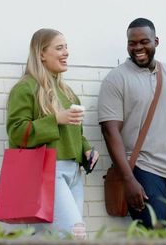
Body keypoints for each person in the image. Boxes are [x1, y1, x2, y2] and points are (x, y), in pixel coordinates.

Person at [98, 18, 166, 228]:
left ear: (156, 41)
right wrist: (128, 179)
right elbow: (110, 132)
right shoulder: (116, 79)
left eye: (144, 41)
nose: (138, 47)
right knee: (153, 235)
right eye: (132, 43)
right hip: (142, 170)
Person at [6, 28, 99, 239]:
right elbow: (16, 131)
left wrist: (86, 150)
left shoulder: (68, 92)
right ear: (41, 54)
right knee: (75, 235)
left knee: (47, 238)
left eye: (66, 47)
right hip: (48, 171)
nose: (66, 52)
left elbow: (76, 133)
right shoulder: (26, 88)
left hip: (73, 173)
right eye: (59, 48)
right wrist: (55, 119)